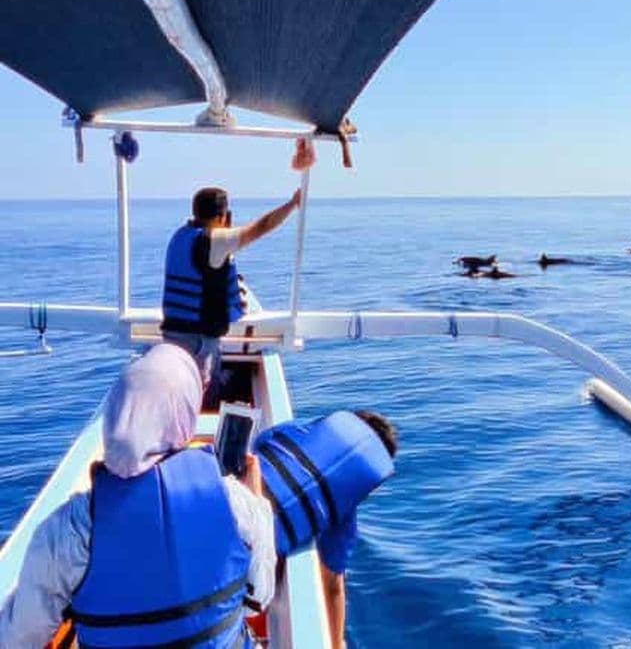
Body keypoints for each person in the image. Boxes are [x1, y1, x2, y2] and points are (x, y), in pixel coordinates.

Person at [0, 343, 276, 648]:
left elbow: (19, 638)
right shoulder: (237, 503)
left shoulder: (67, 531)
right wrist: (256, 497)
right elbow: (258, 598)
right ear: (185, 415)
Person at [253, 409, 398, 649]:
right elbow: (332, 584)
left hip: (216, 497)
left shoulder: (294, 431)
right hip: (245, 552)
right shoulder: (342, 510)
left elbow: (261, 440)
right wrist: (337, 643)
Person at [161, 185, 302, 389]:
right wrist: (292, 204)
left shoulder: (179, 236)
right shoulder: (213, 240)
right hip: (199, 342)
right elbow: (262, 226)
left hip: (170, 335)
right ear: (222, 216)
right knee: (203, 393)